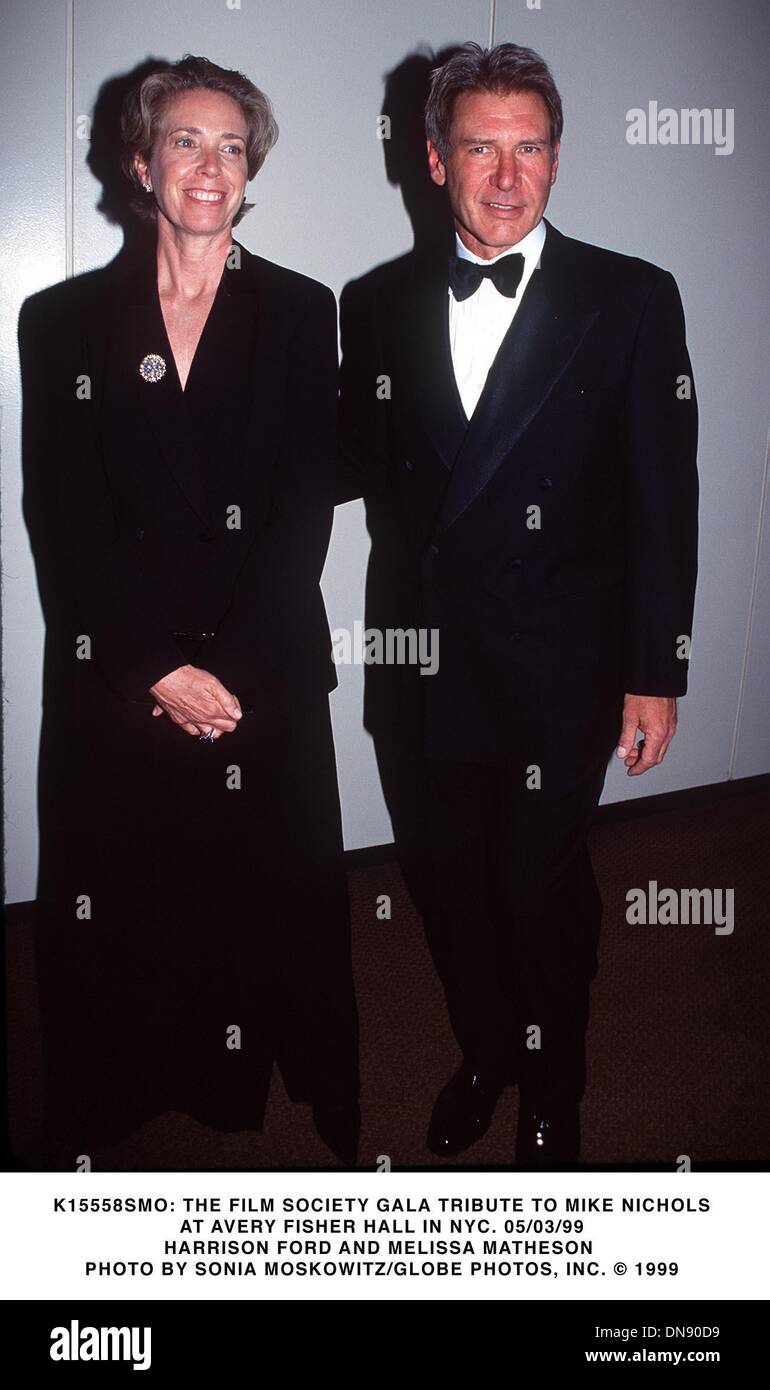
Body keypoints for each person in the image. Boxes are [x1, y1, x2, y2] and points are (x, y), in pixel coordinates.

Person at [337, 42, 698, 1165]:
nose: (505, 176)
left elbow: (662, 496)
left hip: (559, 666)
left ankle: (553, 1084)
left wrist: (654, 668)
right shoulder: (376, 300)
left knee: (535, 888)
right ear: (434, 159)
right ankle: (485, 1050)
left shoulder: (630, 297)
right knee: (444, 883)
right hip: (423, 661)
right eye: (479, 148)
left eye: (528, 146)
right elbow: (348, 461)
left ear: (554, 156)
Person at [19, 54, 359, 1167]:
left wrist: (236, 672)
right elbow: (59, 511)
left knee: (275, 895)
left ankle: (290, 1086)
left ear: (249, 168)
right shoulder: (60, 321)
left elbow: (303, 503)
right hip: (123, 671)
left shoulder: (305, 312)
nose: (208, 166)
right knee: (121, 895)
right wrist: (153, 666)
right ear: (137, 160)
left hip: (260, 667)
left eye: (230, 146)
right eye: (183, 141)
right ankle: (119, 1084)